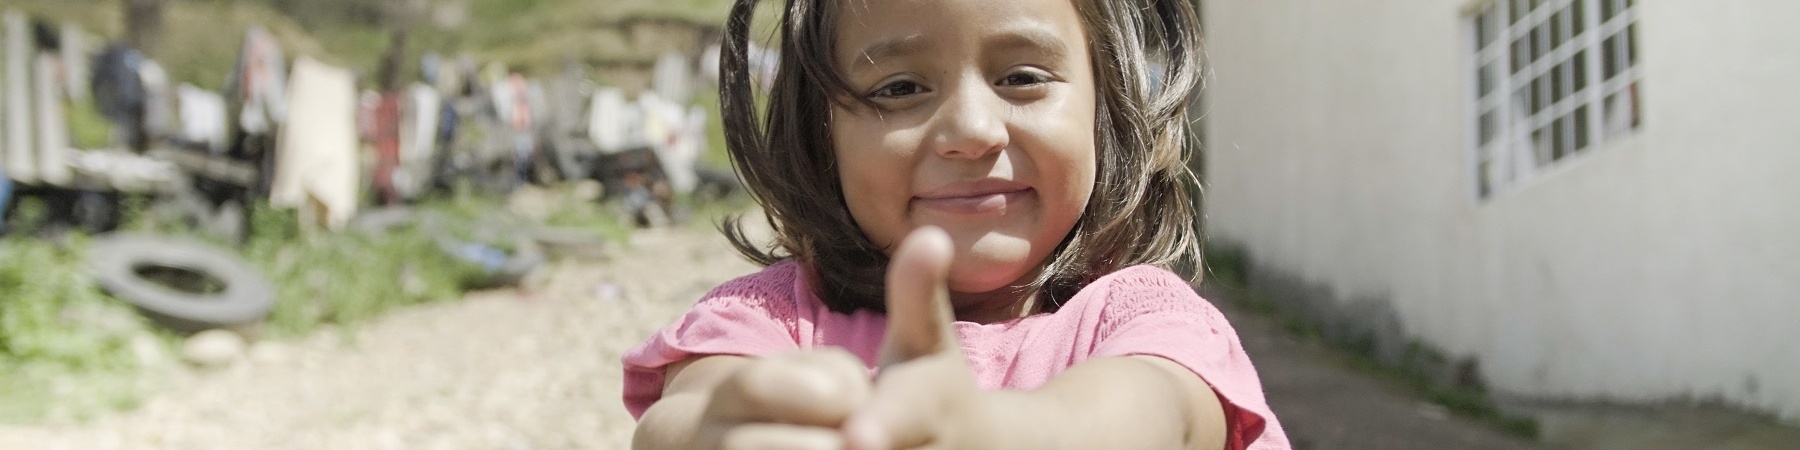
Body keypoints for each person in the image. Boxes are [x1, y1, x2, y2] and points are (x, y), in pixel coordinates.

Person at [623, 0, 1291, 448]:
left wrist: (982, 430)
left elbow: (1153, 419)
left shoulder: (1145, 320)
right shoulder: (770, 319)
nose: (970, 132)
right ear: (819, 135)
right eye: (899, 88)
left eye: (1023, 76)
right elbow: (679, 420)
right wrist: (728, 428)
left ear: (1106, 107)